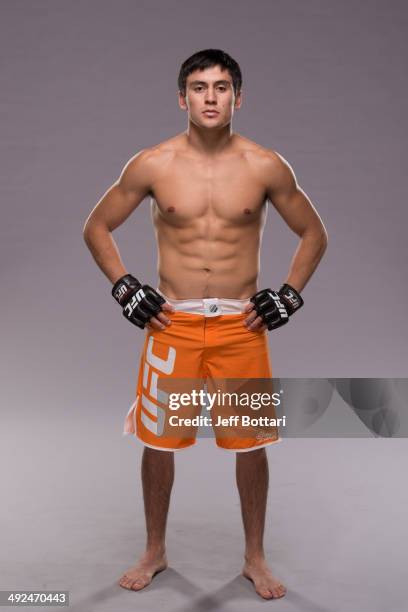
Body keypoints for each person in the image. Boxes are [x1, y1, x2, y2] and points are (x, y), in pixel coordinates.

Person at [83, 48, 328, 600]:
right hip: (172, 323)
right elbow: (97, 226)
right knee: (158, 441)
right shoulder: (153, 163)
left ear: (238, 97)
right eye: (199, 87)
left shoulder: (266, 165)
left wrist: (289, 296)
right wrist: (124, 286)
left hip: (242, 327)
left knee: (250, 443)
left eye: (221, 87)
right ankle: (154, 550)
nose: (210, 97)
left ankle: (255, 558)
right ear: (182, 97)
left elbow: (315, 233)